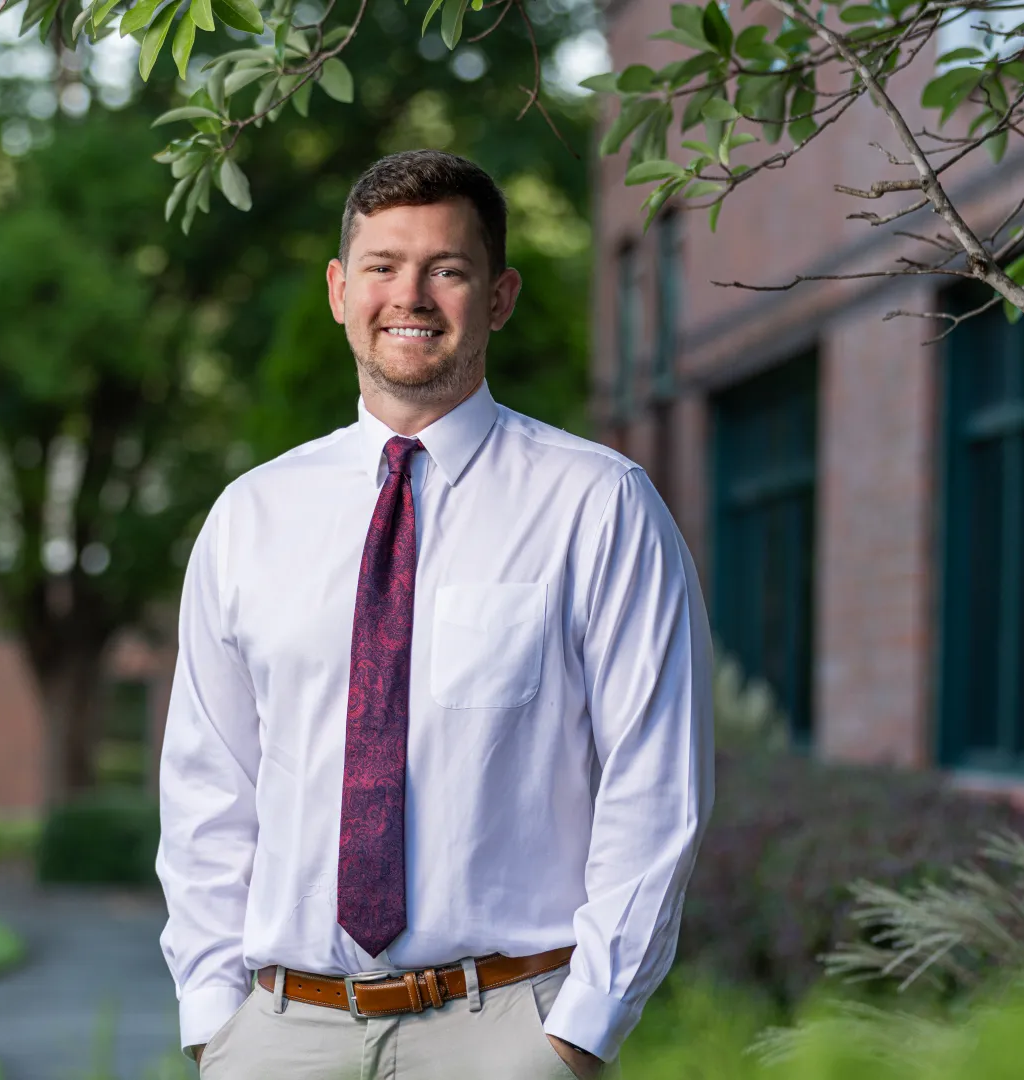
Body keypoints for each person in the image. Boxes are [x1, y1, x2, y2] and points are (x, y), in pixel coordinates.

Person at [157, 148, 713, 1079]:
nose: (408, 295)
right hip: (282, 1032)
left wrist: (579, 1033)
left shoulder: (598, 504)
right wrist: (217, 1019)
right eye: (381, 267)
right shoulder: (251, 516)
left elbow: (655, 782)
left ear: (498, 297)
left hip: (504, 1029)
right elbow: (209, 788)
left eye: (447, 270)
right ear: (340, 290)